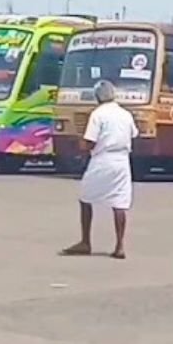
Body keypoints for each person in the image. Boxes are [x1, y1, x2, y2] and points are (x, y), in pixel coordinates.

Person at [62, 80, 138, 259]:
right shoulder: (125, 114)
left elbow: (90, 142)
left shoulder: (98, 114)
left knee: (86, 198)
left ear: (97, 97)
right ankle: (120, 246)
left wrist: (77, 144)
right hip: (122, 160)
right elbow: (134, 134)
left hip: (103, 159)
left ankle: (85, 241)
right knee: (120, 203)